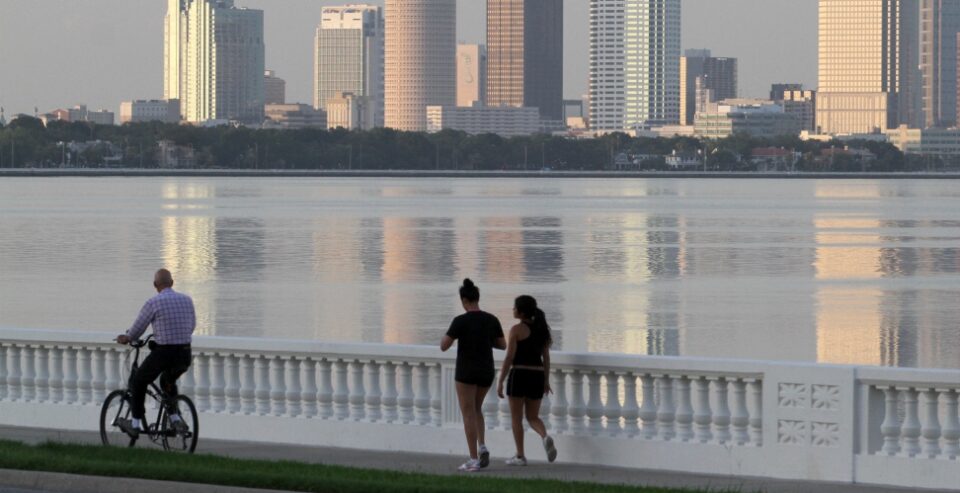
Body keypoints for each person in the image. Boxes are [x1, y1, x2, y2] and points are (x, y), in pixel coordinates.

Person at [115, 269, 196, 438]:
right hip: (185, 353)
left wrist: (127, 337)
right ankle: (175, 419)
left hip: (164, 353)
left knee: (139, 381)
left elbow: (138, 328)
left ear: (155, 285)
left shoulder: (154, 303)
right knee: (167, 381)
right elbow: (191, 326)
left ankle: (135, 423)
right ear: (172, 283)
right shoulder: (187, 300)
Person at [441, 279, 506, 472]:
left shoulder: (460, 321)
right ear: (477, 298)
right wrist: (485, 341)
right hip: (486, 371)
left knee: (468, 413)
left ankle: (473, 458)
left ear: (464, 300)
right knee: (477, 408)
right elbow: (503, 345)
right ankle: (482, 445)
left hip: (466, 372)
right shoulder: (491, 319)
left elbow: (444, 345)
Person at [497, 295, 558, 465]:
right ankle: (545, 436)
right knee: (533, 417)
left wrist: (501, 380)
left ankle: (520, 456)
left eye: (515, 307)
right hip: (537, 376)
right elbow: (546, 357)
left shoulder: (516, 330)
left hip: (519, 374)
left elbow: (509, 357)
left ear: (521, 312)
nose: (513, 310)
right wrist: (546, 380)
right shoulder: (541, 330)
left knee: (516, 418)